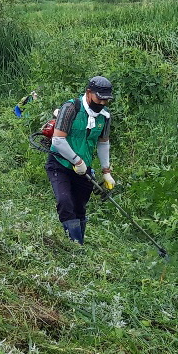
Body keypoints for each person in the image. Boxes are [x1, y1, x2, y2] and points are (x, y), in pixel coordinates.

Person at [46, 76, 116, 244]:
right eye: (99, 98)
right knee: (65, 202)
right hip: (60, 164)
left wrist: (106, 171)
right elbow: (58, 140)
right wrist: (77, 161)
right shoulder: (71, 108)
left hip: (84, 169)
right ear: (89, 93)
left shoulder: (104, 117)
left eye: (106, 100)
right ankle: (74, 247)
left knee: (80, 207)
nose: (102, 103)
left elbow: (103, 143)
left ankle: (79, 244)